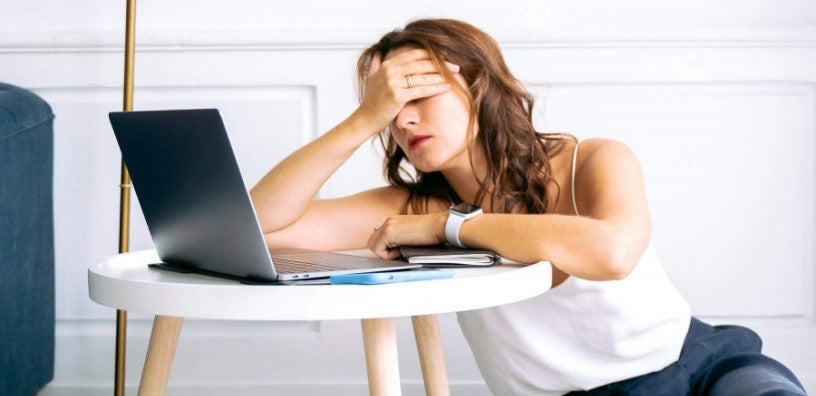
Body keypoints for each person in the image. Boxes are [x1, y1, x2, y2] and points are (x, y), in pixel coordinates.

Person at [250, 18, 807, 396]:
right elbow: (262, 227)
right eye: (388, 109)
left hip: (703, 367)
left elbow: (612, 253)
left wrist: (449, 227)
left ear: (475, 83)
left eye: (417, 95)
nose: (404, 120)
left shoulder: (592, 160)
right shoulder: (409, 204)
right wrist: (358, 122)